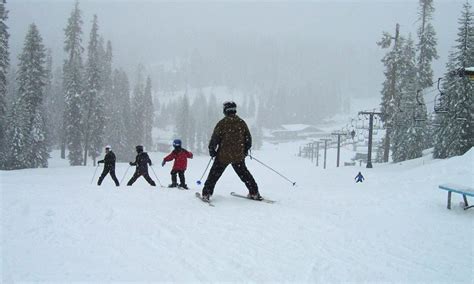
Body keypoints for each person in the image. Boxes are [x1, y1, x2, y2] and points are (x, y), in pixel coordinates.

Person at [201, 101, 261, 201]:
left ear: (225, 110)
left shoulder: (222, 123)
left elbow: (215, 139)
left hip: (223, 156)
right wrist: (245, 151)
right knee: (245, 175)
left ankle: (206, 194)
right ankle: (254, 192)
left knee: (213, 176)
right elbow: (248, 139)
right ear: (234, 110)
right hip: (238, 156)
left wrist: (212, 150)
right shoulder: (241, 123)